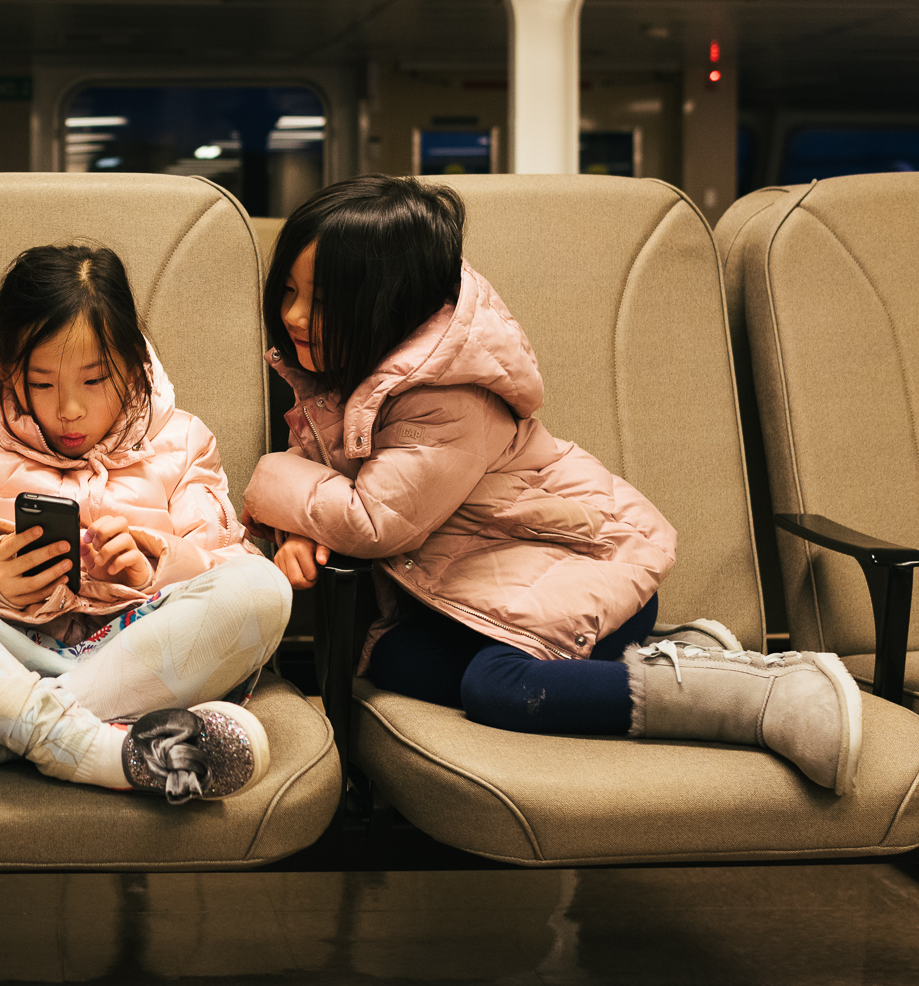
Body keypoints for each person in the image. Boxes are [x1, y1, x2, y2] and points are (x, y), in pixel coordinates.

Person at [242, 175, 865, 794]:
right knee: (388, 658)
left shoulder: (442, 397)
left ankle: (761, 695)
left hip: (579, 563)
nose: (295, 315)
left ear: (391, 301)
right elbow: (334, 479)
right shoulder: (352, 371)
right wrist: (292, 528)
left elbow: (372, 521)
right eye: (290, 291)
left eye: (322, 301)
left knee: (505, 690)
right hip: (488, 582)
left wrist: (272, 481)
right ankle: (677, 653)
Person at [0, 244, 294, 804]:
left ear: (134, 365)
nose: (69, 409)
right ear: (6, 369)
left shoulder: (182, 440)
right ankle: (100, 746)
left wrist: (156, 568)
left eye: (94, 381)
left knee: (264, 587)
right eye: (42, 383)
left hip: (132, 654)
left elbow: (226, 562)